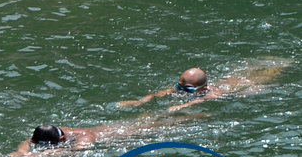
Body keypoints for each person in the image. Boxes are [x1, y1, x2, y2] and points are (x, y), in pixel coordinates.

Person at [117, 62, 286, 112]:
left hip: (241, 87)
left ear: (202, 89)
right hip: (228, 81)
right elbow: (160, 93)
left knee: (260, 82)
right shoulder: (183, 87)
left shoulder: (213, 93)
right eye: (179, 87)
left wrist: (183, 105)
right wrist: (140, 102)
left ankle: (281, 65)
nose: (181, 91)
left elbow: (201, 101)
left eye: (188, 90)